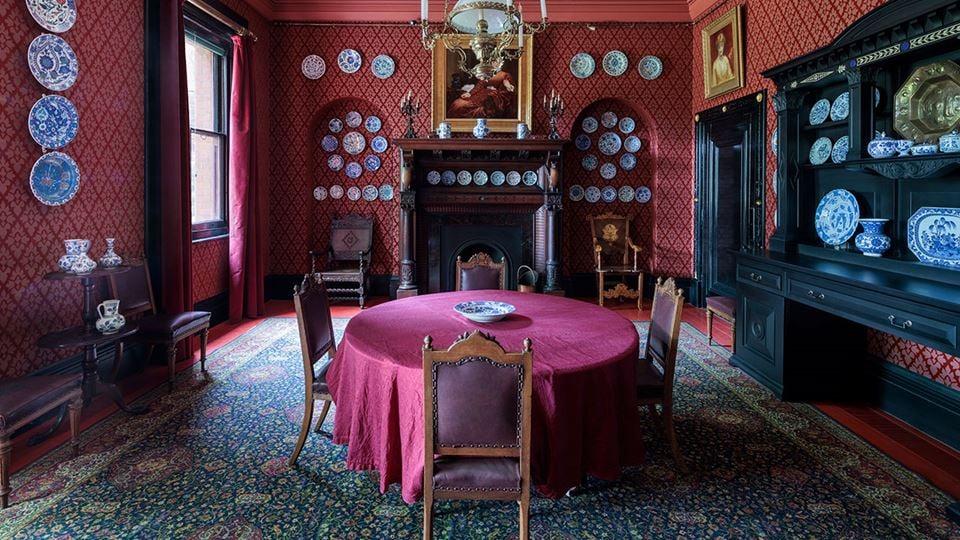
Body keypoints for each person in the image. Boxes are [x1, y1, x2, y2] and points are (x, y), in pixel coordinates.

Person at [447, 70, 518, 119]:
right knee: (457, 103)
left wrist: (508, 87)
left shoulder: (505, 75)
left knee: (480, 109)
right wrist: (470, 93)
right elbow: (479, 86)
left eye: (496, 61)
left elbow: (508, 93)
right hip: (481, 94)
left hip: (494, 97)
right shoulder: (486, 73)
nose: (493, 63)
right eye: (492, 61)